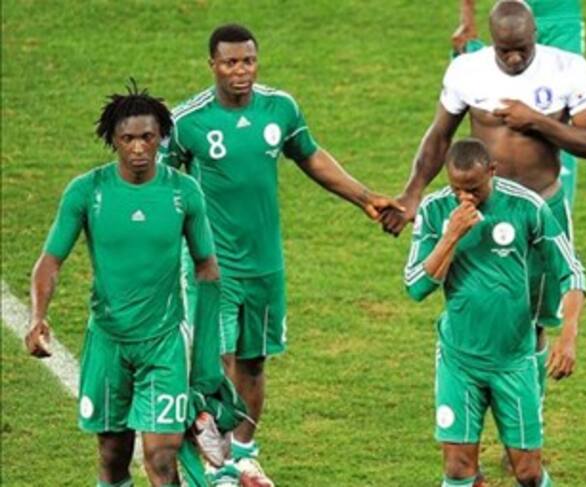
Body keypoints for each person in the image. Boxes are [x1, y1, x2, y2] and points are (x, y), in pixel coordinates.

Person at [163, 23, 403, 486]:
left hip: (265, 264)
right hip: (213, 268)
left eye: (248, 61)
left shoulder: (280, 108)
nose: (241, 71)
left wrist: (364, 198)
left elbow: (309, 155)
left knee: (254, 362)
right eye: (231, 63)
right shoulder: (187, 121)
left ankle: (243, 455)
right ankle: (215, 464)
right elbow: (162, 186)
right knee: (217, 362)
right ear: (212, 65)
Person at [381, 0, 586, 407]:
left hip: (541, 210)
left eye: (522, 48)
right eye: (505, 50)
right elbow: (440, 135)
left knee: (534, 320)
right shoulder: (468, 71)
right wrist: (412, 192)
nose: (515, 57)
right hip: (486, 212)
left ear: (535, 34)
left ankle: (527, 415)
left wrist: (537, 120)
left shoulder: (568, 69)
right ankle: (468, 402)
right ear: (492, 42)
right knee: (480, 306)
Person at [24, 82, 221, 487]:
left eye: (147, 137)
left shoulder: (184, 192)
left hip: (163, 344)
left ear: (161, 137)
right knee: (113, 456)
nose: (138, 147)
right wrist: (38, 317)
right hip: (108, 342)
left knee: (161, 457)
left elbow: (207, 268)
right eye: (128, 138)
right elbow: (50, 262)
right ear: (113, 140)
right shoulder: (87, 192)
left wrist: (204, 352)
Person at [404, 138, 586, 487]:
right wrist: (451, 235)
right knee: (457, 468)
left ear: (492, 171)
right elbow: (415, 287)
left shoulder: (526, 206)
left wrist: (568, 337)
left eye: (474, 189)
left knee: (528, 472)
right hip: (459, 361)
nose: (465, 198)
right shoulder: (435, 210)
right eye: (457, 189)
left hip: (514, 361)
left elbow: (572, 271)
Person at [451, 0, 586, 208]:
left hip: (561, 18)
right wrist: (467, 20)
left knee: (561, 119)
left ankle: (555, 212)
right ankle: (503, 204)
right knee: (503, 110)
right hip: (511, 17)